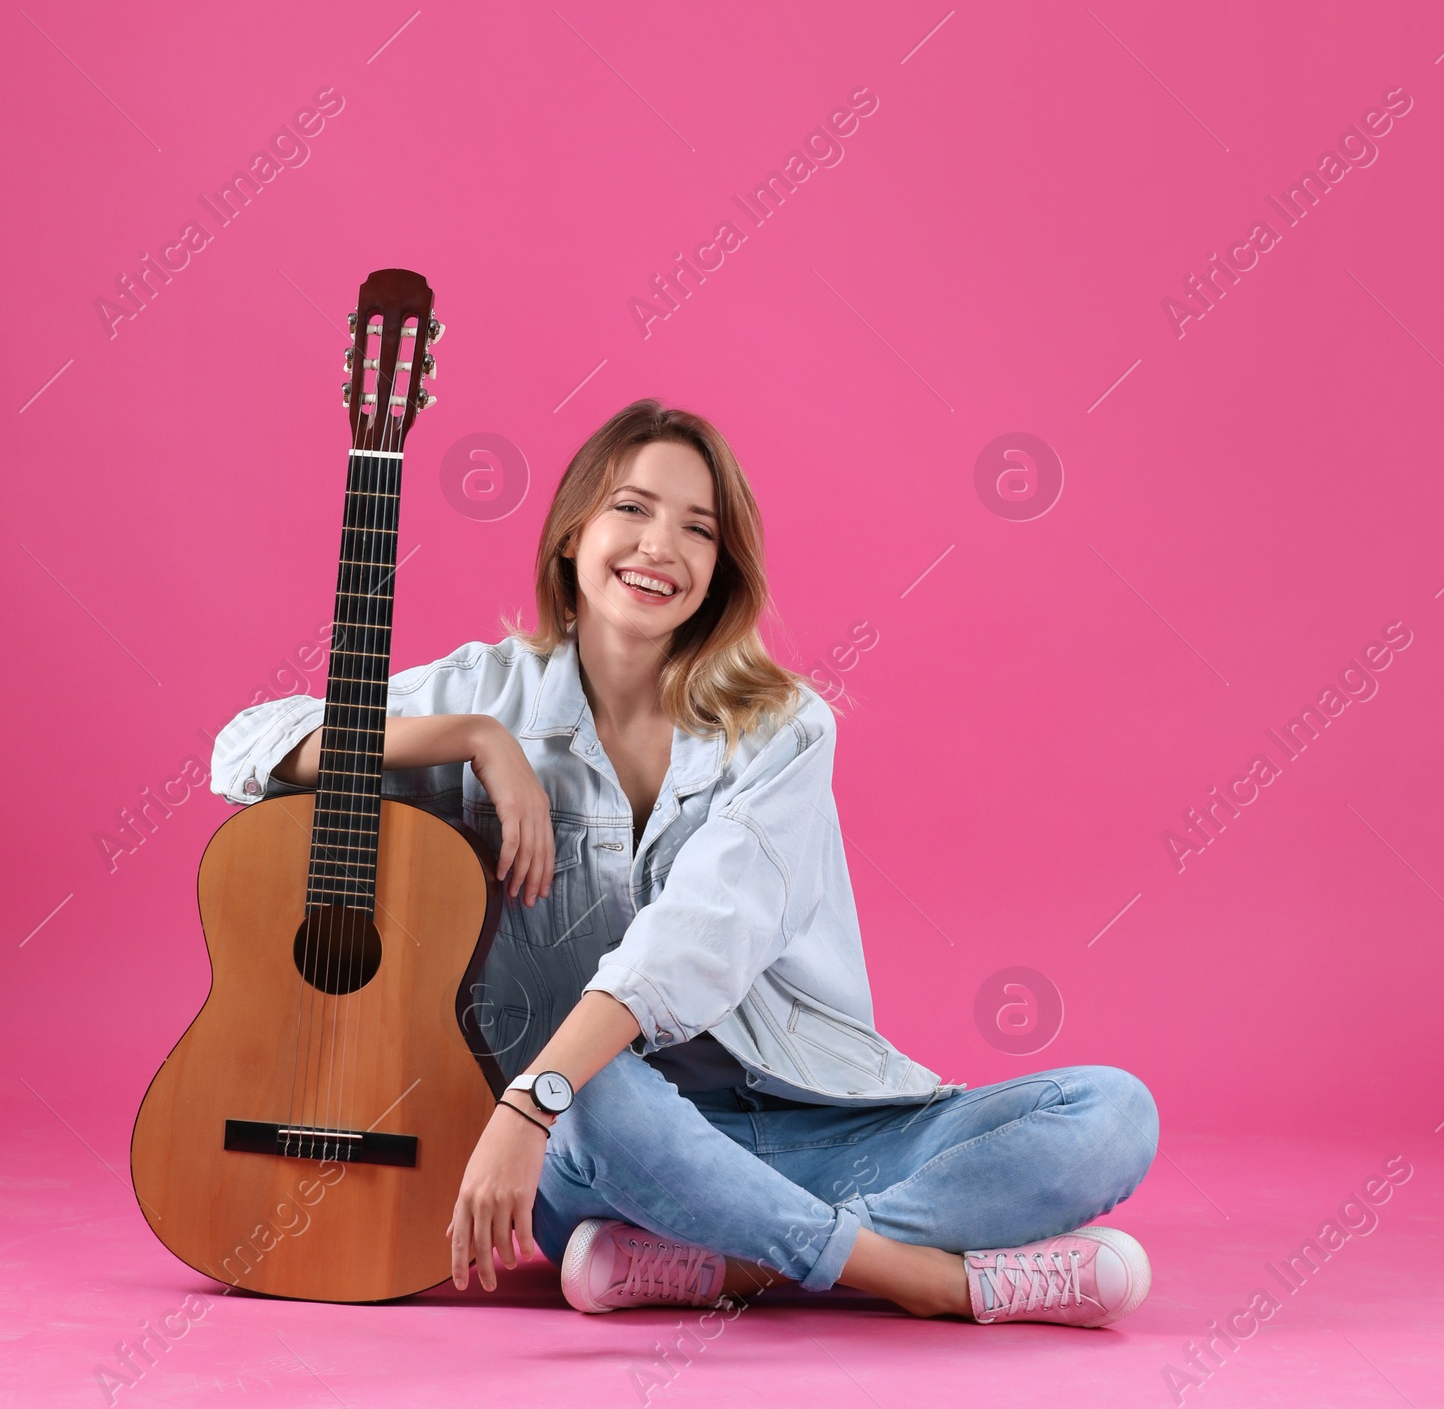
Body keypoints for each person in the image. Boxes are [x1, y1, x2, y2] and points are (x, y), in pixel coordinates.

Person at [210, 400, 1158, 1323]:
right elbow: (246, 747)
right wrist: (473, 741)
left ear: (721, 568)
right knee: (590, 1079)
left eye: (698, 528)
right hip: (602, 1143)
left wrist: (530, 1104)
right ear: (571, 535)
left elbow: (692, 942)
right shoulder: (481, 691)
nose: (660, 546)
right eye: (631, 508)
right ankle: (924, 1279)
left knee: (1112, 1112)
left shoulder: (785, 728)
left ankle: (723, 1260)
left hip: (817, 1127)